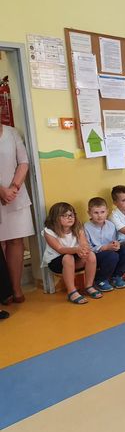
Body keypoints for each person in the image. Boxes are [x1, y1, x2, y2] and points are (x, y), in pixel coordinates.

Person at [0, 124, 35, 305]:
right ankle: (4, 291)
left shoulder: (12, 132)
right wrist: (1, 191)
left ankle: (16, 287)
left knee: (16, 240)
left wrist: (13, 188)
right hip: (3, 193)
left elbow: (23, 162)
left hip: (15, 195)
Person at [42, 202, 101, 304]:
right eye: (65, 216)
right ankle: (71, 291)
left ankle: (89, 286)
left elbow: (84, 243)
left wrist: (84, 250)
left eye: (71, 215)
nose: (70, 218)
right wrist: (77, 250)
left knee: (90, 255)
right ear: (55, 218)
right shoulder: (49, 231)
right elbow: (60, 249)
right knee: (68, 257)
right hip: (56, 261)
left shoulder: (77, 227)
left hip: (74, 257)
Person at [84, 197, 125, 291]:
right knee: (112, 256)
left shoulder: (111, 225)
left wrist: (116, 244)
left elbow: (115, 240)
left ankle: (116, 276)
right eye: (96, 213)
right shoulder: (86, 227)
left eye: (102, 212)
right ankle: (101, 279)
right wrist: (105, 247)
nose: (99, 216)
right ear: (89, 213)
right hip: (96, 255)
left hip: (110, 251)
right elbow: (88, 248)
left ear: (107, 211)